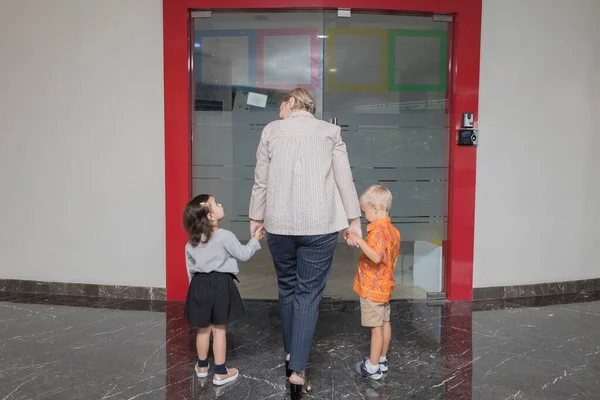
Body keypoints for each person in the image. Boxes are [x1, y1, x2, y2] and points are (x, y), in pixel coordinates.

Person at [249, 88, 361, 399]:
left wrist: (255, 218)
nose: (278, 112)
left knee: (286, 287)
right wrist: (353, 221)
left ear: (291, 104)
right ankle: (297, 369)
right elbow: (344, 179)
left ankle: (290, 358)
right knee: (308, 294)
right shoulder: (330, 132)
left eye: (280, 106)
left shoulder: (271, 132)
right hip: (320, 225)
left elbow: (261, 180)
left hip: (279, 225)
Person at [183, 194, 264, 386]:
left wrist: (195, 294)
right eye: (215, 204)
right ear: (210, 216)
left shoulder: (191, 242)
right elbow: (243, 255)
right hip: (221, 285)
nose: (220, 204)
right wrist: (256, 239)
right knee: (219, 330)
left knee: (202, 330)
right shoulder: (225, 236)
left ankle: (202, 367)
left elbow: (190, 271)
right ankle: (220, 372)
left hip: (199, 285)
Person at [345, 185, 401, 380]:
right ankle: (383, 360)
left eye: (364, 211)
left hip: (372, 289)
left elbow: (376, 257)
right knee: (385, 323)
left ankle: (372, 367)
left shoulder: (377, 232)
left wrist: (360, 241)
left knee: (375, 329)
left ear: (375, 208)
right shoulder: (393, 231)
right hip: (386, 287)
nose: (364, 215)